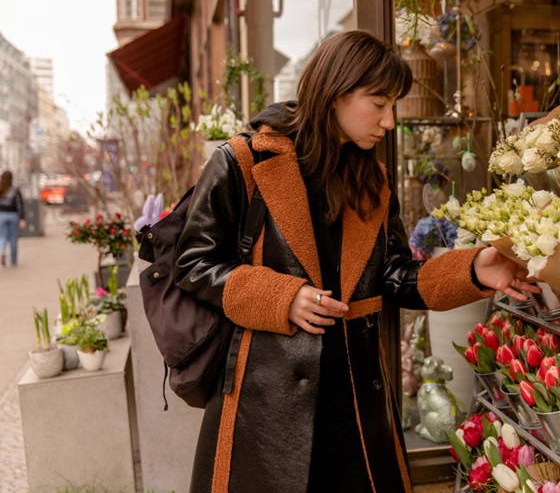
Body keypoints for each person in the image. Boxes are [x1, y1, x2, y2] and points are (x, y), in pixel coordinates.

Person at [174, 30, 539, 493]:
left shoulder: (372, 179)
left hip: (354, 405)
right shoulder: (242, 160)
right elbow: (192, 262)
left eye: (394, 106)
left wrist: (473, 269)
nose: (389, 121)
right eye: (379, 103)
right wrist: (282, 297)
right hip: (265, 409)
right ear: (334, 94)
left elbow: (395, 276)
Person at [0, 170, 26, 267]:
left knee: (2, 236)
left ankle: (2, 251)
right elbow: (20, 205)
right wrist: (22, 218)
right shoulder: (15, 190)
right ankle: (13, 260)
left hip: (1, 215)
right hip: (13, 215)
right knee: (13, 237)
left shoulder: (1, 189)